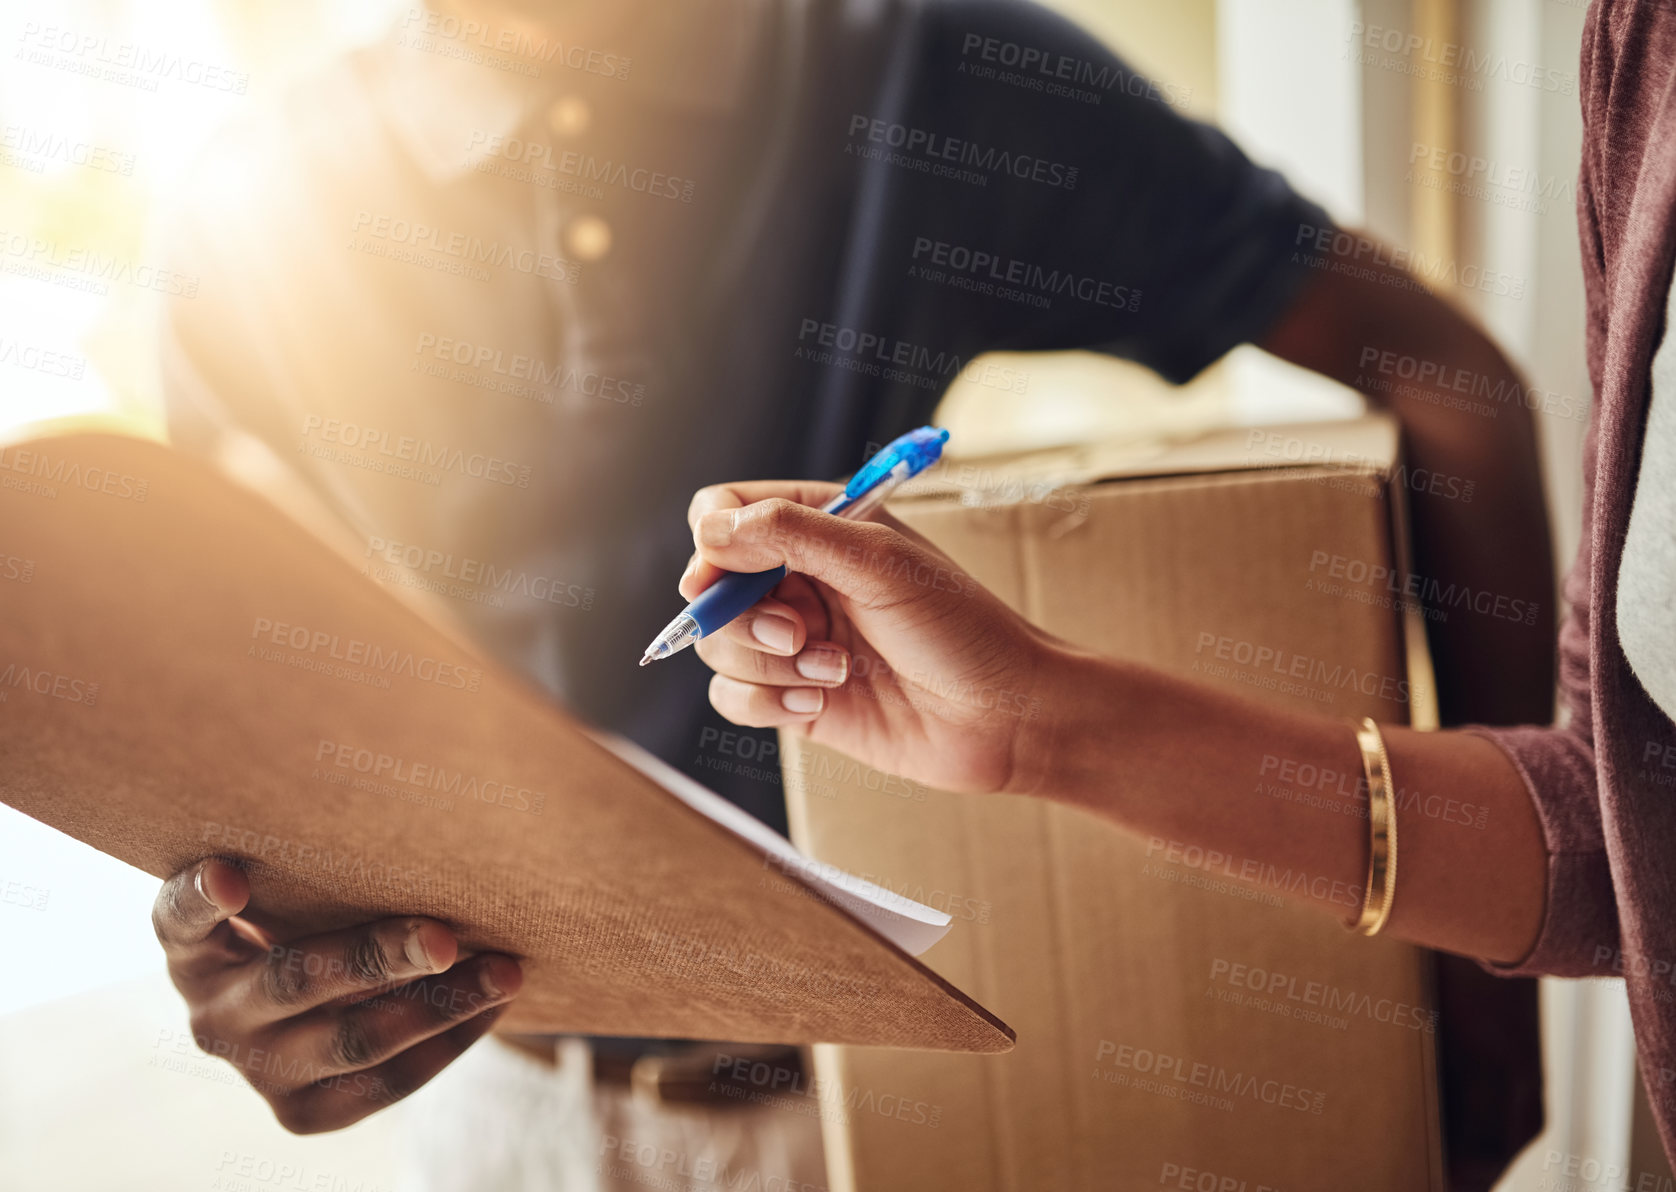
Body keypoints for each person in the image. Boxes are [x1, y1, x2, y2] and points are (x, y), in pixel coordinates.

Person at [147, 0, 1549, 1182]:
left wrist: (1499, 962)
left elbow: (1453, 383)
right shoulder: (254, 200)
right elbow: (243, 683)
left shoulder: (937, 75)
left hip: (883, 1107)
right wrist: (247, 932)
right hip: (500, 1104)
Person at [675, 0, 1676, 1166]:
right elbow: (1626, 830)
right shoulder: (1641, 49)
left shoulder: (927, 74)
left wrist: (1474, 1020)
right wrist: (1034, 727)